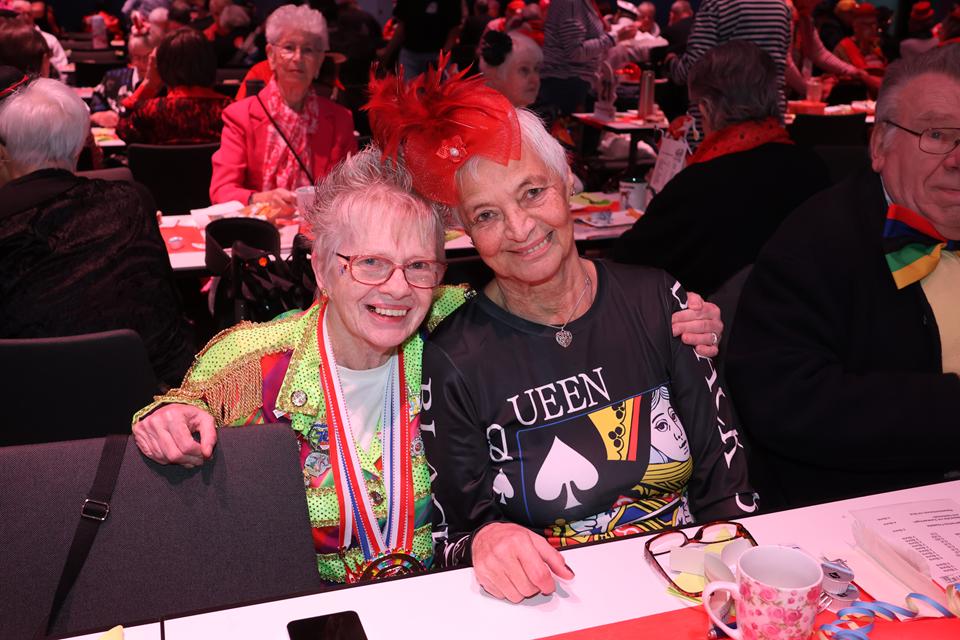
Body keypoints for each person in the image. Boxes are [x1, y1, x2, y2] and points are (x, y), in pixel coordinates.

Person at [366, 62, 755, 603]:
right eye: (486, 215)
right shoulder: (455, 356)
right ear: (465, 232)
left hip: (690, 579)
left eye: (532, 192)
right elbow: (457, 535)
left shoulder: (658, 301)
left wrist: (728, 594)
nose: (520, 228)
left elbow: (726, 481)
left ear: (567, 181)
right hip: (552, 602)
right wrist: (487, 540)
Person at [132, 145, 466, 584]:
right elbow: (183, 406)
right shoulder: (253, 361)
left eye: (419, 266)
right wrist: (166, 417)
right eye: (370, 263)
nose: (399, 288)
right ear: (322, 269)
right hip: (308, 607)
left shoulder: (453, 331)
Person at [725, 45, 960, 511]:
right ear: (879, 147)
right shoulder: (814, 244)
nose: (957, 159)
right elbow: (785, 403)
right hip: (866, 513)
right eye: (936, 134)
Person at [0, 73, 194, 388]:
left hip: (25, 399)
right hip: (146, 393)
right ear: (81, 144)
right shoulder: (130, 201)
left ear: (4, 151)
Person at [612, 41, 830, 297]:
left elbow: (626, 263)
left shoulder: (699, 184)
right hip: (796, 312)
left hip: (708, 317)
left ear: (707, 108)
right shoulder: (813, 169)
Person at [210, 3, 356, 214]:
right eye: (288, 48)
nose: (298, 58)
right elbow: (221, 191)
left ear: (319, 61)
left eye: (308, 50)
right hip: (259, 228)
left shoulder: (340, 119)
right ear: (271, 55)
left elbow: (352, 191)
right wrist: (261, 199)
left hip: (318, 229)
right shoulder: (240, 117)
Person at [666, 0, 791, 134]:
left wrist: (670, 62)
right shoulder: (781, 7)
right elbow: (783, 63)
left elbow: (692, 70)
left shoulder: (717, 4)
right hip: (770, 122)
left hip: (721, 124)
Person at [116, 27, 231, 145]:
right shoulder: (230, 111)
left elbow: (123, 129)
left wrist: (149, 82)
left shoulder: (151, 111)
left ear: (162, 68)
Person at [785, 0, 873, 100]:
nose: (818, 3)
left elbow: (819, 54)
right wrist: (807, 90)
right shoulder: (786, 11)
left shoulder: (805, 18)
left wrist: (853, 71)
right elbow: (785, 62)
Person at [538, 0, 613, 116]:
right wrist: (612, 38)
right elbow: (576, 52)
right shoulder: (571, 3)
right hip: (566, 85)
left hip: (573, 84)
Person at [89, 32, 155, 129]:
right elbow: (96, 106)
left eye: (147, 57)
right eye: (136, 57)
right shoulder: (113, 78)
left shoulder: (167, 84)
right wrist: (99, 116)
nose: (141, 63)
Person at [479, 29, 542, 108]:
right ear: (496, 74)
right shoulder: (481, 113)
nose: (534, 80)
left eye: (536, 69)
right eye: (524, 70)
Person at [10, 0, 66, 75]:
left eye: (28, 13)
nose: (25, 17)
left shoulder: (49, 39)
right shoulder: (6, 39)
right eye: (20, 14)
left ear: (33, 15)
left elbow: (62, 69)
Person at [832, 3, 887, 79]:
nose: (873, 29)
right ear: (855, 26)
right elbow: (835, 78)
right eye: (867, 25)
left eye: (874, 24)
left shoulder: (876, 46)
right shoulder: (842, 49)